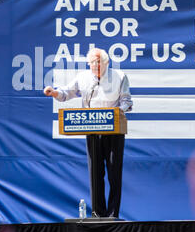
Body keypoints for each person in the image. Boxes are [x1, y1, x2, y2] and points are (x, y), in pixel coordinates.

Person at [44, 47, 132, 218]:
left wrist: (113, 114)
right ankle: (97, 213)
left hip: (114, 130)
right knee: (95, 173)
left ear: (106, 63)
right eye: (92, 62)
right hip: (92, 130)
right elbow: (66, 93)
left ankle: (113, 214)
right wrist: (53, 92)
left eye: (99, 62)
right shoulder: (83, 77)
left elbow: (127, 102)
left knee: (114, 173)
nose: (96, 65)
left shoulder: (119, 76)